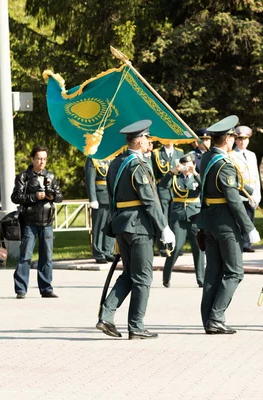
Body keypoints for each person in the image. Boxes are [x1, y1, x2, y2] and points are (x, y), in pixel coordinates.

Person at [96, 120, 175, 340]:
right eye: (147, 138)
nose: (148, 141)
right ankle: (136, 326)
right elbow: (149, 200)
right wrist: (164, 227)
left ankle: (106, 316)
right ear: (139, 140)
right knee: (142, 277)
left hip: (122, 224)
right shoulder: (138, 166)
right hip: (139, 227)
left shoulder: (116, 163)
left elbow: (112, 196)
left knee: (130, 275)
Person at [198, 115, 261, 334]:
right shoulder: (223, 163)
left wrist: (249, 192)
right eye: (233, 137)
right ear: (227, 140)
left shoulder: (207, 158)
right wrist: (249, 227)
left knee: (214, 272)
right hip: (224, 223)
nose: (234, 140)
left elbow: (231, 186)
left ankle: (208, 318)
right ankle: (216, 317)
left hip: (209, 220)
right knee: (235, 272)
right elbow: (232, 198)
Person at [12, 146, 63, 299]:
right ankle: (21, 289)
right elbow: (16, 197)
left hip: (47, 221)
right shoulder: (24, 177)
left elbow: (60, 196)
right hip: (29, 221)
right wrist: (35, 196)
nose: (42, 162)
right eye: (39, 158)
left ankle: (46, 288)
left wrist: (52, 196)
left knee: (47, 256)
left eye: (44, 159)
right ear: (32, 159)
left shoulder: (51, 176)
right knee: (26, 255)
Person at [161, 151, 204, 288]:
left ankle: (201, 279)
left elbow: (204, 187)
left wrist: (195, 173)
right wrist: (172, 172)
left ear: (193, 164)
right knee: (176, 247)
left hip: (194, 215)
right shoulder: (176, 177)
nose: (186, 167)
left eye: (189, 164)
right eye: (184, 165)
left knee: (198, 248)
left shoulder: (197, 176)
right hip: (179, 216)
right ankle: (166, 277)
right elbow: (161, 186)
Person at [230, 125, 261, 253]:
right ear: (236, 140)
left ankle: (247, 243)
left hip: (252, 191)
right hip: (240, 191)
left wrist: (257, 194)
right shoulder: (231, 154)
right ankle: (239, 243)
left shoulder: (252, 155)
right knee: (238, 219)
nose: (243, 141)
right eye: (240, 139)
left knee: (249, 217)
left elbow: (255, 175)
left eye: (245, 139)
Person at [152, 141, 184, 256]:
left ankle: (175, 246)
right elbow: (154, 174)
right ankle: (163, 247)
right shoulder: (157, 153)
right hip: (163, 188)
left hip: (176, 188)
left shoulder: (179, 153)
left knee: (174, 218)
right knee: (163, 217)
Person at [85, 157, 114, 264]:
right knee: (99, 226)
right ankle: (98, 253)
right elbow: (89, 180)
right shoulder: (93, 159)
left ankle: (108, 251)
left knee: (111, 225)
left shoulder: (112, 158)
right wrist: (92, 199)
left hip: (112, 196)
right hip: (100, 196)